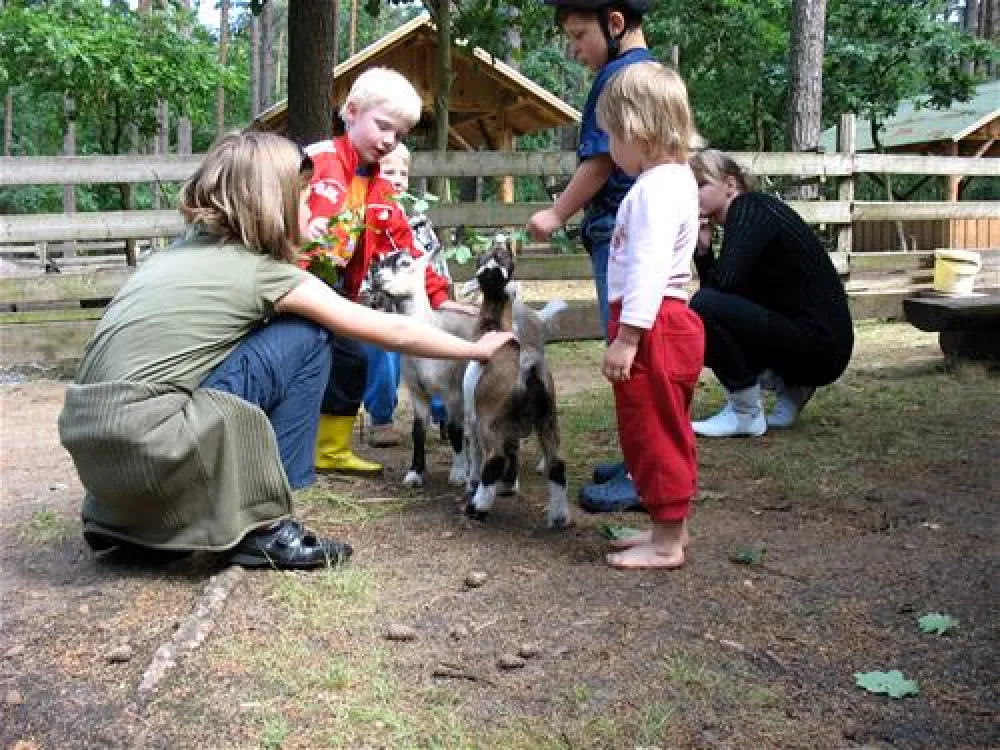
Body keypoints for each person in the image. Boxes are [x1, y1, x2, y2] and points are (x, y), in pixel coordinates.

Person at [57, 132, 514, 570]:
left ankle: (127, 520)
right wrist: (473, 349)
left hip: (99, 461)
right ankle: (268, 525)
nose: (312, 210)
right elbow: (382, 327)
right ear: (270, 203)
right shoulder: (262, 272)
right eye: (303, 197)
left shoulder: (171, 258)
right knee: (309, 335)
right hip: (155, 446)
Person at [300, 67, 475, 475]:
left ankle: (330, 448)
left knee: (351, 358)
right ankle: (279, 441)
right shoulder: (316, 161)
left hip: (336, 290)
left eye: (397, 135)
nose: (388, 140)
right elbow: (272, 205)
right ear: (352, 111)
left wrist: (440, 296)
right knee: (298, 357)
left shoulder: (379, 190)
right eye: (382, 126)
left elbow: (408, 247)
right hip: (290, 279)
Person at [527, 0, 654, 513]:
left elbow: (600, 160)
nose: (576, 50)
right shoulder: (650, 73)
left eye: (580, 36)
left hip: (620, 237)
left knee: (631, 357)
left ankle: (644, 477)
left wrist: (555, 214)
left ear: (615, 23)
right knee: (638, 353)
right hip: (627, 234)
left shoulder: (618, 78)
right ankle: (638, 462)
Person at [593, 61, 704, 570]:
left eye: (611, 136)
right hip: (656, 320)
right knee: (655, 426)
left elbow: (649, 268)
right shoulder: (674, 180)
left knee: (654, 429)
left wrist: (628, 337)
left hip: (652, 322)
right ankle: (666, 528)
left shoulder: (657, 189)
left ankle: (666, 544)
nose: (610, 150)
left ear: (637, 131)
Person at [688, 150, 854, 437]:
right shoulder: (752, 218)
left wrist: (705, 260)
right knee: (707, 306)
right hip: (825, 347)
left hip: (820, 346)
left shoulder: (750, 208)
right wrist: (702, 251)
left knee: (700, 306)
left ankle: (745, 412)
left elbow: (719, 292)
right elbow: (725, 299)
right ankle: (793, 388)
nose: (692, 196)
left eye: (701, 185)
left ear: (730, 185)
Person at [361, 143, 451, 448]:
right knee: (383, 357)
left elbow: (430, 260)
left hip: (417, 306)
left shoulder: (416, 222)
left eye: (403, 173)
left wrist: (440, 295)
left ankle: (444, 413)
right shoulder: (371, 214)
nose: (396, 179)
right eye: (388, 171)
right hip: (380, 305)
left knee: (431, 351)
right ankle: (381, 418)